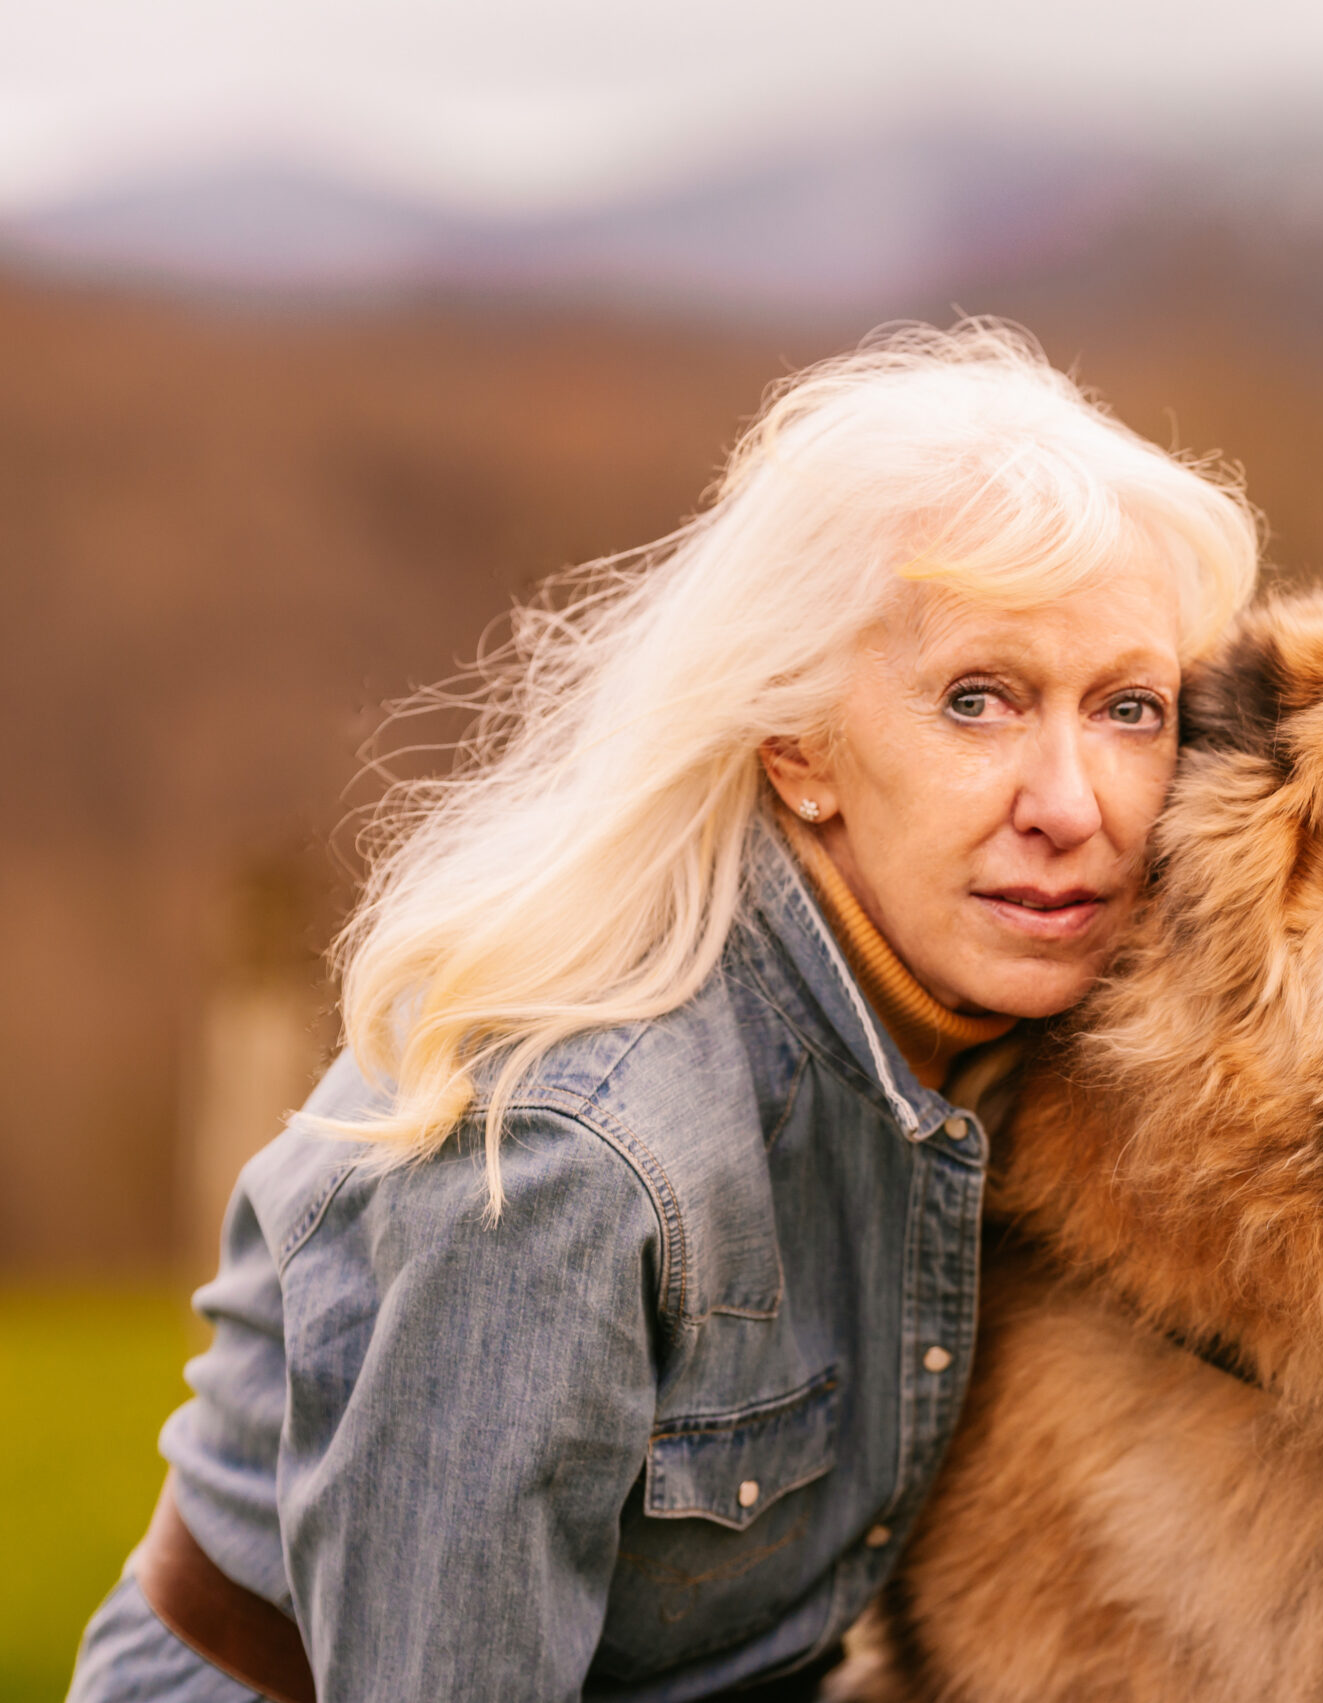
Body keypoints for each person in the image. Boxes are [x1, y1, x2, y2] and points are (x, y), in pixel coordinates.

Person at [67, 323, 1261, 1702]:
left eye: (1129, 708)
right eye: (976, 701)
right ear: (798, 744)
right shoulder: (575, 1157)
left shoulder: (1018, 1013)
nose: (1072, 804)